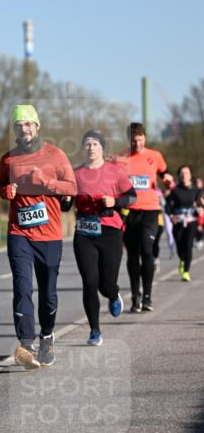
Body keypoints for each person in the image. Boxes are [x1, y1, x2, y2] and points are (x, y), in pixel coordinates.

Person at [0, 104, 77, 370]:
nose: (25, 129)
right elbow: (0, 185)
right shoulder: (8, 159)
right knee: (22, 285)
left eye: (29, 124)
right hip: (19, 231)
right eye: (19, 125)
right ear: (15, 129)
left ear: (37, 126)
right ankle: (26, 344)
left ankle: (47, 336)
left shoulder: (55, 155)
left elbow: (72, 187)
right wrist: (6, 191)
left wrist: (48, 183)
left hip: (50, 233)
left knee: (48, 292)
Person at [62, 131, 136, 346]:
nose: (91, 147)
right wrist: (66, 199)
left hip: (110, 231)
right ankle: (95, 331)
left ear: (102, 148)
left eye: (95, 144)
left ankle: (113, 295)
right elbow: (65, 206)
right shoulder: (75, 175)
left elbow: (132, 196)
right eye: (87, 144)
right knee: (89, 282)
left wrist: (115, 201)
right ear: (83, 148)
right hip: (84, 231)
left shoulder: (115, 171)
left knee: (105, 283)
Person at [114, 123, 173, 312]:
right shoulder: (120, 159)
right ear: (128, 140)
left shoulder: (154, 156)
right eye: (133, 141)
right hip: (129, 212)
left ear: (145, 138)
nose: (137, 144)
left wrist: (168, 180)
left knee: (147, 251)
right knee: (132, 255)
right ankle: (135, 296)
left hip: (150, 210)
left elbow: (164, 173)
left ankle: (147, 296)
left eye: (140, 140)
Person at [165, 166, 203, 282]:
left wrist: (201, 207)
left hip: (191, 221)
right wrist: (171, 216)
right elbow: (167, 206)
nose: (184, 175)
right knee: (180, 246)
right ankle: (182, 259)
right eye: (181, 173)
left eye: (186, 173)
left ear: (190, 175)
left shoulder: (197, 190)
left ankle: (186, 271)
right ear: (179, 176)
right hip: (178, 221)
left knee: (188, 246)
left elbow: (200, 203)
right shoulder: (175, 190)